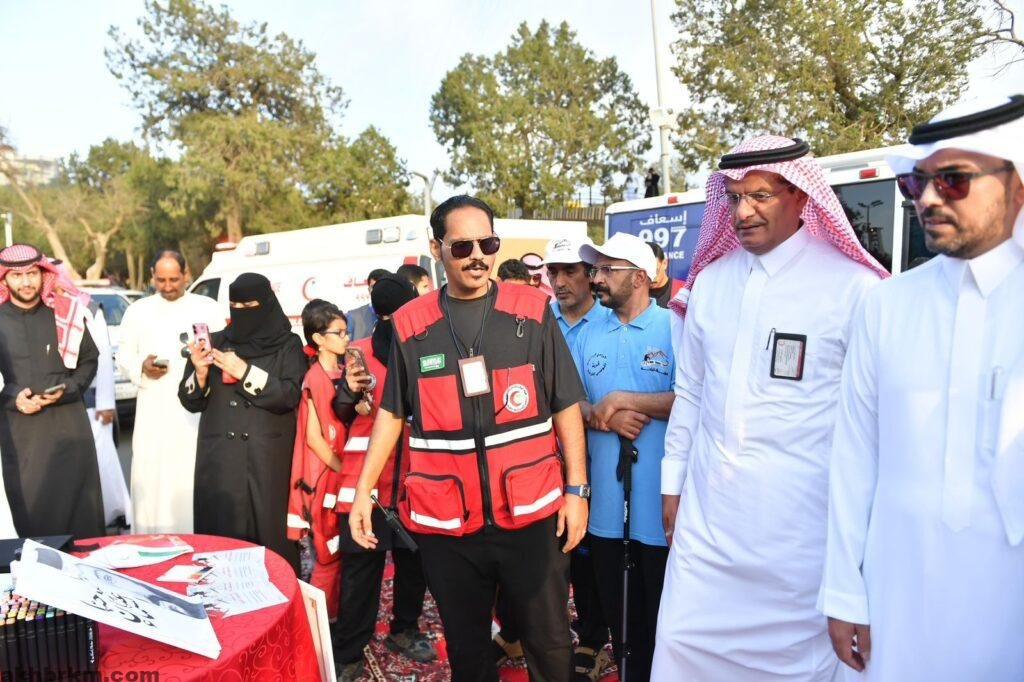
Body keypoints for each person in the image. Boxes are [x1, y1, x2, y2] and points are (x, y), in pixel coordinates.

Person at [652, 136, 888, 680]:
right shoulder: (711, 283)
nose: (743, 212)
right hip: (708, 528)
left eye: (759, 195)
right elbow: (692, 391)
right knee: (682, 649)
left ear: (802, 195)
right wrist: (672, 482)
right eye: (734, 197)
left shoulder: (854, 289)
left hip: (803, 534)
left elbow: (870, 424)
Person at [819, 94, 1024, 680]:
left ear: (1017, 184)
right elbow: (854, 457)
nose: (928, 199)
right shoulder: (888, 304)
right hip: (897, 591)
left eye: (952, 180)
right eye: (916, 183)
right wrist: (843, 590)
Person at [348, 195, 589, 681]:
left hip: (531, 514)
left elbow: (565, 403)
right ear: (436, 248)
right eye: (463, 246)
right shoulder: (411, 324)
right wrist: (362, 491)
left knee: (550, 643)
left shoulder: (532, 311)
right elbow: (392, 413)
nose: (478, 256)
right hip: (448, 524)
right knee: (467, 649)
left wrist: (577, 490)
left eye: (488, 244)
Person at [572, 233, 673, 681]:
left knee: (662, 623)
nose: (596, 278)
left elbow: (694, 399)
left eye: (606, 270)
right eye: (595, 269)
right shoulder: (588, 332)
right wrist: (603, 416)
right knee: (620, 620)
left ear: (639, 277)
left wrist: (620, 399)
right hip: (607, 512)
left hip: (663, 510)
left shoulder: (675, 327)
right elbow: (568, 401)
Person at [330, 274, 435, 682]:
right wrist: (348, 392)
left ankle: (404, 629)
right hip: (366, 484)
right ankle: (349, 648)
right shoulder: (357, 354)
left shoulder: (427, 349)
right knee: (360, 570)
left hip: (415, 479)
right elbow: (340, 411)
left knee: (414, 562)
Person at [180, 273, 306, 571]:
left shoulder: (288, 345)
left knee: (271, 545)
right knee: (222, 545)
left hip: (267, 462)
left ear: (267, 303)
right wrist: (199, 373)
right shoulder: (215, 342)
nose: (241, 312)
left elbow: (289, 395)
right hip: (222, 463)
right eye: (235, 306)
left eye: (249, 306)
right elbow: (190, 400)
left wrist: (245, 372)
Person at [543, 234, 612, 679]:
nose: (560, 281)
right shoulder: (538, 321)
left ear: (590, 274)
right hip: (542, 461)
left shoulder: (611, 321)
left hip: (596, 460)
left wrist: (583, 411)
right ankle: (534, 633)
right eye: (554, 272)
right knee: (546, 555)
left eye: (570, 271)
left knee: (589, 553)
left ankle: (591, 636)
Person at [0, 243, 104, 538]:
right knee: (33, 514)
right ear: (5, 279)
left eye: (32, 274)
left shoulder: (65, 313)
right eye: (17, 276)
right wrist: (13, 397)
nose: (26, 282)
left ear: (43, 274)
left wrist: (69, 387)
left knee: (81, 514)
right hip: (21, 433)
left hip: (69, 424)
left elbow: (89, 359)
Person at [117, 250, 224, 534]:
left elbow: (223, 350)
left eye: (174, 280)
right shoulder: (137, 311)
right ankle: (153, 537)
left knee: (190, 474)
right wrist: (142, 366)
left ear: (186, 274)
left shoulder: (208, 308)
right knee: (153, 476)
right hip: (153, 406)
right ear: (152, 276)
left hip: (195, 410)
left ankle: (198, 538)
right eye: (161, 280)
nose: (167, 286)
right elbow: (123, 356)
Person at [286, 299, 349, 618]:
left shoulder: (345, 372)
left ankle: (335, 617)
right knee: (327, 556)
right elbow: (314, 438)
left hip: (342, 476)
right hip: (324, 480)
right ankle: (317, 626)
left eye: (346, 331)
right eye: (339, 332)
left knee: (342, 555)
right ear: (318, 338)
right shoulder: (314, 378)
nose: (346, 338)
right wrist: (345, 469)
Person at [83, 289, 131, 529]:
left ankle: (113, 514)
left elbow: (102, 358)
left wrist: (105, 403)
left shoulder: (88, 308)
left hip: (91, 404)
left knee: (101, 461)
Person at [347, 268, 390, 341]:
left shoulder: (400, 315)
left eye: (381, 286)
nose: (377, 290)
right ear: (369, 290)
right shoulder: (354, 316)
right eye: (373, 287)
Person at [646, 242, 684, 308]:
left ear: (665, 263)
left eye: (655, 270)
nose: (652, 277)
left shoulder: (683, 290)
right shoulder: (633, 294)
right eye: (646, 272)